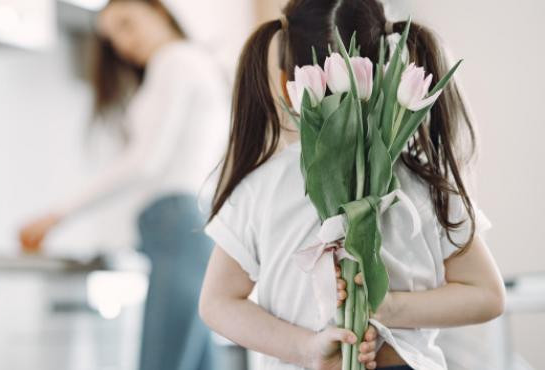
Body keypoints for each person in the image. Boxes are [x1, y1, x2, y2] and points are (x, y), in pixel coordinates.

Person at [198, 0, 505, 369]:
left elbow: (217, 302)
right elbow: (486, 294)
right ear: (385, 69)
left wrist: (306, 348)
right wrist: (389, 308)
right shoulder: (424, 183)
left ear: (287, 83)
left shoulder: (259, 188)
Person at [19, 1, 230, 369]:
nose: (122, 42)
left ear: (159, 12)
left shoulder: (175, 60)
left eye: (127, 24)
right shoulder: (199, 63)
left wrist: (58, 215)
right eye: (112, 38)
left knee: (164, 362)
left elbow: (145, 162)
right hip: (195, 225)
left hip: (176, 223)